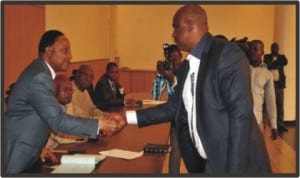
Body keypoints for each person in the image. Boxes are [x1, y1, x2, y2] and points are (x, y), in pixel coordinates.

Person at [115, 5, 272, 174]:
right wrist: (127, 117)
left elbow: (241, 117)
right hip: (207, 164)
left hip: (234, 165)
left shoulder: (225, 54)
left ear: (190, 25)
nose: (173, 34)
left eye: (175, 27)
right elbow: (174, 107)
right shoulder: (186, 66)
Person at [3, 30, 124, 174]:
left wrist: (37, 149)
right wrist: (100, 124)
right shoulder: (40, 77)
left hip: (27, 151)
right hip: (15, 155)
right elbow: (57, 120)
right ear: (48, 50)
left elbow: (33, 116)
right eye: (65, 50)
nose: (70, 56)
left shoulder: (40, 72)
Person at [151, 44, 183, 174]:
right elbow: (155, 96)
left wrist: (172, 80)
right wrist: (160, 76)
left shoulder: (187, 70)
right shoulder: (167, 73)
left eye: (175, 60)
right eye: (170, 60)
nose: (173, 64)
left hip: (191, 119)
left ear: (181, 57)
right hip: (175, 118)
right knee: (175, 151)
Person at [249, 40, 278, 140]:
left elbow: (271, 101)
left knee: (257, 154)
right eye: (251, 48)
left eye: (256, 49)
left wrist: (274, 126)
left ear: (262, 52)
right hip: (240, 122)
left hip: (258, 122)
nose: (252, 51)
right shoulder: (240, 69)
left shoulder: (267, 74)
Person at [263, 42, 288, 134]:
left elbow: (285, 62)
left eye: (276, 48)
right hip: (269, 84)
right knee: (267, 104)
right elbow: (268, 65)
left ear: (279, 49)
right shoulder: (266, 56)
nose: (275, 49)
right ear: (271, 49)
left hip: (279, 84)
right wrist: (277, 64)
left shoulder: (282, 57)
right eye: (273, 47)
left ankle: (280, 124)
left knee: (280, 104)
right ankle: (265, 123)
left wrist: (274, 64)